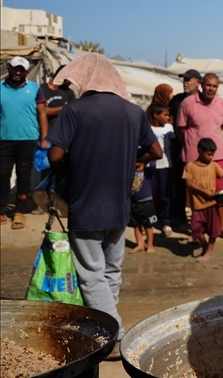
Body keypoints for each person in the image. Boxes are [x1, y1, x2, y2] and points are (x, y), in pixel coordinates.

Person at [46, 53, 162, 340]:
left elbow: (54, 155)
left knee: (90, 273)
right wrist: (133, 160)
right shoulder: (134, 111)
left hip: (85, 205)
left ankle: (113, 335)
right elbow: (157, 152)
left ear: (85, 79)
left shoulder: (75, 109)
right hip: (120, 208)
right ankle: (104, 328)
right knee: (111, 270)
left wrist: (74, 164)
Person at [177, 73, 223, 241]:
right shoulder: (187, 103)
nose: (211, 89)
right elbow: (181, 129)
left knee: (221, 192)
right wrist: (193, 146)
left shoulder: (221, 103)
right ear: (201, 85)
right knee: (195, 195)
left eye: (215, 86)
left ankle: (222, 228)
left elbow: (221, 125)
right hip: (193, 158)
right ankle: (197, 232)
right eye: (209, 85)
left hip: (216, 156)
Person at [184, 137, 223, 260]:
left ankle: (210, 251)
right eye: (208, 154)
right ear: (199, 151)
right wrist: (204, 192)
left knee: (213, 229)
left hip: (211, 204)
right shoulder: (190, 166)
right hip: (197, 204)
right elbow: (188, 183)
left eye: (212, 155)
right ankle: (204, 245)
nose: (211, 157)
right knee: (196, 228)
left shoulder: (214, 165)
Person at [1, 56, 41, 228]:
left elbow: (42, 113)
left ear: (26, 71)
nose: (18, 72)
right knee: (2, 176)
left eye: (21, 69)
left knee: (24, 176)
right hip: (4, 139)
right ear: (8, 68)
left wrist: (45, 136)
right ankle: (1, 211)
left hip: (28, 139)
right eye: (15, 68)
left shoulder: (35, 88)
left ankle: (19, 212)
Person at [169, 70, 202, 227]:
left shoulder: (204, 100)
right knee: (179, 181)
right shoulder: (176, 101)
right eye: (184, 79)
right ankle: (179, 215)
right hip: (178, 147)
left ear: (198, 82)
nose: (185, 82)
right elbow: (170, 120)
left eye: (189, 79)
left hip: (198, 149)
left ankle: (200, 219)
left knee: (199, 183)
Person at [36, 63, 76, 160]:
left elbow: (74, 113)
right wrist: (65, 108)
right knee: (45, 168)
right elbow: (42, 111)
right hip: (46, 136)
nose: (71, 83)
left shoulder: (69, 93)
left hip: (63, 137)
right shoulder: (41, 89)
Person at [146, 103, 175, 236]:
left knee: (165, 195)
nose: (168, 118)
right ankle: (150, 222)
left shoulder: (169, 128)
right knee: (149, 195)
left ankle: (166, 222)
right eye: (165, 115)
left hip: (165, 166)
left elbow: (173, 144)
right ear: (155, 115)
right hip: (150, 167)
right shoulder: (147, 128)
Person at [129, 162, 158, 254]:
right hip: (134, 202)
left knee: (148, 225)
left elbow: (153, 162)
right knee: (136, 225)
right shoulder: (129, 172)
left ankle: (150, 245)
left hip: (146, 202)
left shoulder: (147, 172)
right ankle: (140, 244)